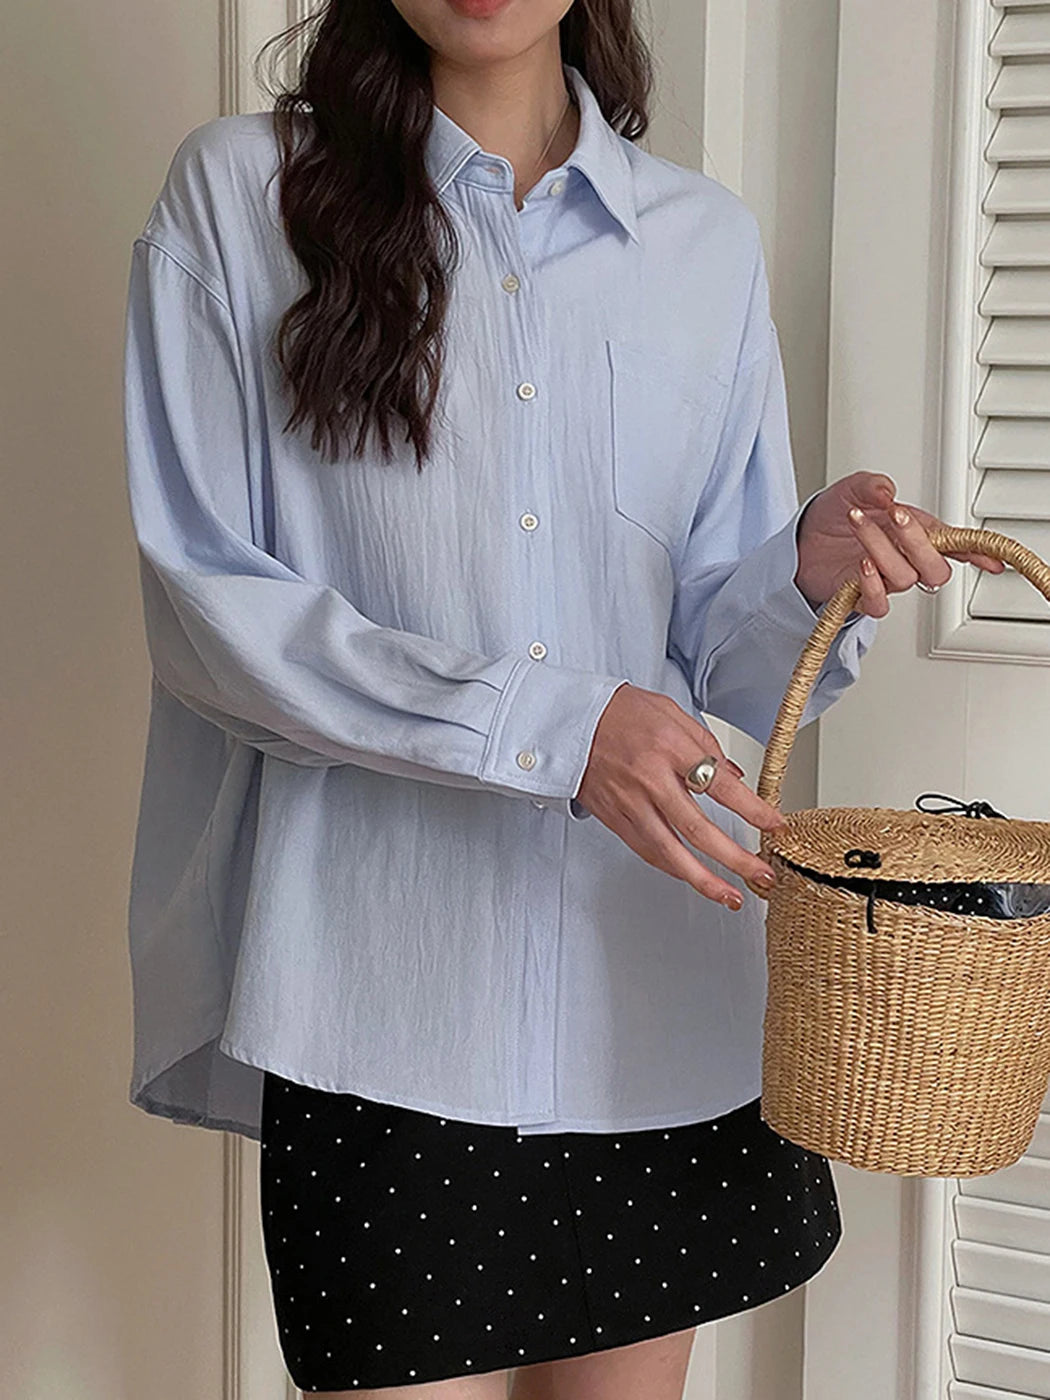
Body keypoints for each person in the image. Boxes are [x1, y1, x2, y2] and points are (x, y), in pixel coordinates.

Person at [120, 1, 1007, 1396]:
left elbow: (719, 655)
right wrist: (553, 728)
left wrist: (802, 572)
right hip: (384, 1010)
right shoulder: (241, 197)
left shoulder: (701, 243)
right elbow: (209, 609)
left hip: (654, 1006)